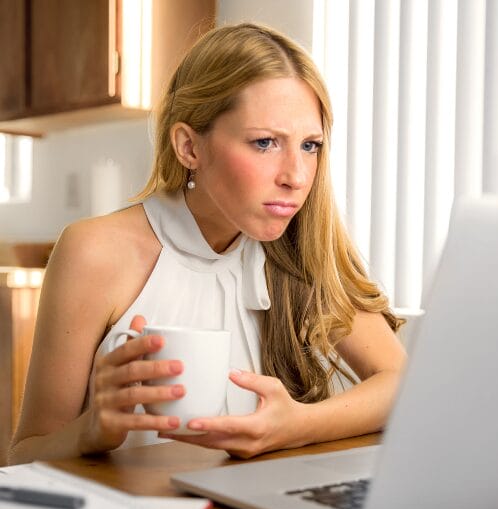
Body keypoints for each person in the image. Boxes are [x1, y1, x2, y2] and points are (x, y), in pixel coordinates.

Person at [8, 23, 406, 465]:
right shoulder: (93, 251)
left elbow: (401, 379)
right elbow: (23, 455)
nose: (295, 176)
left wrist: (296, 426)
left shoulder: (303, 248)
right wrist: (90, 432)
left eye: (310, 146)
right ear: (188, 147)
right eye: (265, 142)